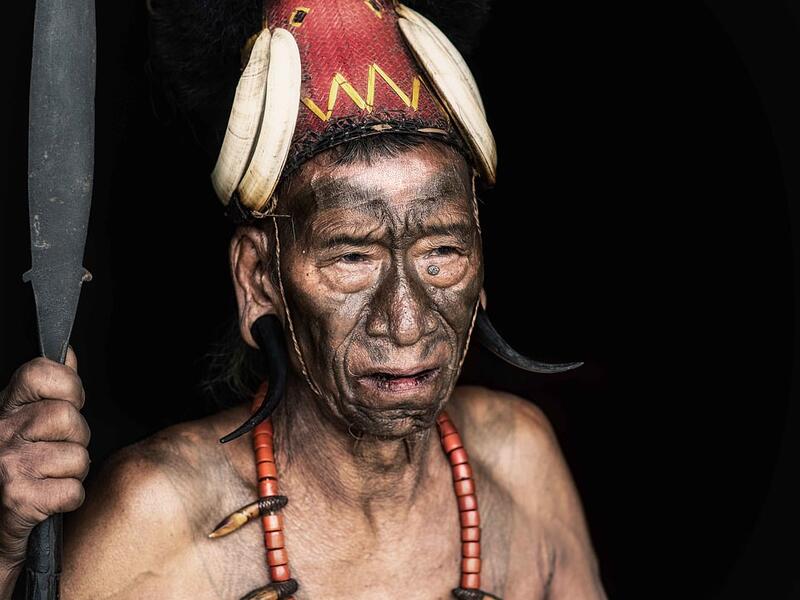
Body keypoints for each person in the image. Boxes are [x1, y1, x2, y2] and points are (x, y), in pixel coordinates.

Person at [0, 1, 607, 598]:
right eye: (352, 257)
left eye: (441, 251)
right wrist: (3, 553)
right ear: (259, 277)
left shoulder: (518, 462)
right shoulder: (157, 520)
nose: (406, 320)